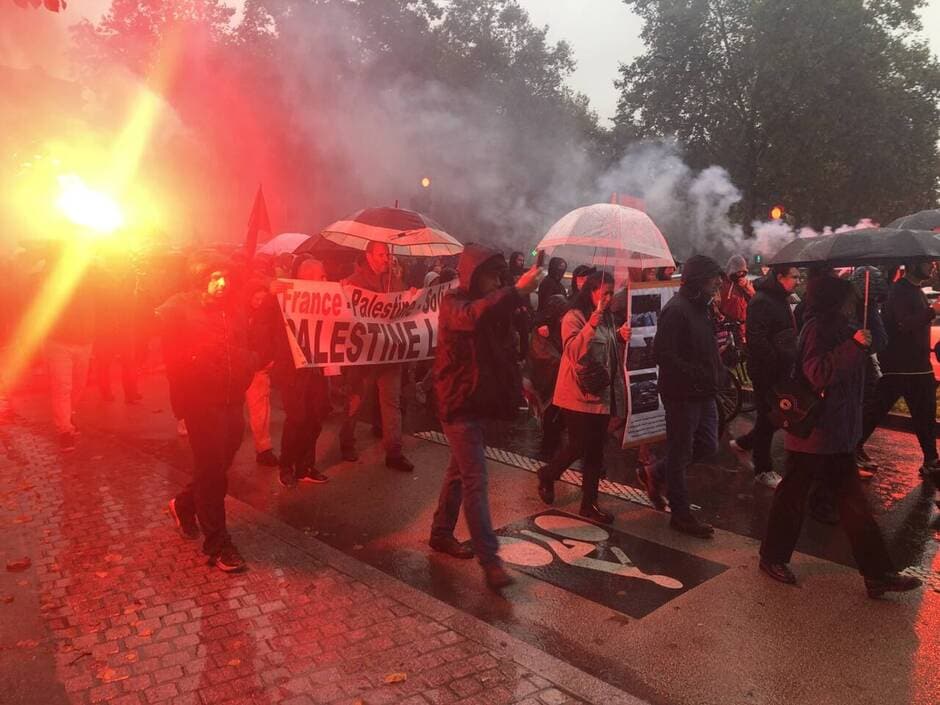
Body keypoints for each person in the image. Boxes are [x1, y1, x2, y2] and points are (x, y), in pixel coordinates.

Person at [758, 276, 922, 598]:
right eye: (848, 297)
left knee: (853, 505)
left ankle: (878, 574)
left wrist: (868, 324)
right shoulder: (817, 328)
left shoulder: (847, 325)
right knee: (792, 498)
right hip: (815, 433)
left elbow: (879, 344)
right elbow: (817, 372)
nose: (852, 301)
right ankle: (772, 557)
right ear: (835, 301)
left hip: (837, 433)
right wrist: (854, 346)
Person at [429, 245, 542, 590]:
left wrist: (521, 381)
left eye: (500, 277)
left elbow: (501, 353)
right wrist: (516, 291)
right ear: (474, 276)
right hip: (458, 403)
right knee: (475, 478)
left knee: (459, 473)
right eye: (492, 276)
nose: (497, 282)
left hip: (478, 402)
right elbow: (472, 316)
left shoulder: (492, 308)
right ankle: (490, 561)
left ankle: (440, 533)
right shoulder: (454, 304)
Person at [160, 254, 258, 572]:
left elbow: (246, 344)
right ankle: (217, 543)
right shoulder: (180, 309)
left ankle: (184, 504)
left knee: (222, 458)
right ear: (201, 278)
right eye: (215, 277)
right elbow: (172, 360)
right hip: (201, 402)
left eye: (227, 277)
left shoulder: (235, 310)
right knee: (213, 472)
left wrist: (248, 363)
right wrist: (183, 403)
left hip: (231, 398)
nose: (222, 283)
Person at [536, 271, 629, 523]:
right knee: (579, 445)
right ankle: (548, 473)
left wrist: (619, 336)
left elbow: (608, 351)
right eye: (604, 292)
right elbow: (574, 352)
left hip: (601, 394)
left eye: (611, 292)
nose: (609, 298)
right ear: (591, 291)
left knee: (596, 451)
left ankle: (589, 505)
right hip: (576, 395)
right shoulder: (573, 316)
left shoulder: (608, 318)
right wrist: (592, 324)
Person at [643, 255, 724, 538]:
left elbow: (704, 348)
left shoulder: (703, 308)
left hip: (705, 393)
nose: (718, 283)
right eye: (714, 278)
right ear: (699, 280)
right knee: (681, 453)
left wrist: (720, 365)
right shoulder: (676, 310)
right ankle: (681, 514)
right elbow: (661, 353)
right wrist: (695, 372)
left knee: (708, 445)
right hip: (682, 395)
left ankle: (657, 472)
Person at [858, 260, 940, 480]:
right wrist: (932, 310)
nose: (933, 266)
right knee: (875, 412)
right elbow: (904, 324)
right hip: (899, 367)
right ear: (914, 264)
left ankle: (931, 459)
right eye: (928, 263)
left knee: (926, 414)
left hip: (919, 366)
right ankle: (851, 448)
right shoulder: (899, 291)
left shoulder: (916, 291)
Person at [340, 242, 414, 471]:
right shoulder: (355, 281)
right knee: (355, 399)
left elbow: (403, 306)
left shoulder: (393, 279)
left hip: (389, 353)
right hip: (364, 354)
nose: (386, 258)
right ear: (369, 255)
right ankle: (346, 442)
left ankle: (394, 452)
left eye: (388, 254)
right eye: (381, 254)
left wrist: (410, 296)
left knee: (391, 402)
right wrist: (343, 292)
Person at [728, 265, 800, 488]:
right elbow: (757, 339)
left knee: (773, 416)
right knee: (771, 416)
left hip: (780, 368)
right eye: (794, 276)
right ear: (780, 277)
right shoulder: (762, 301)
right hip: (766, 371)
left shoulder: (780, 297)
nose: (798, 280)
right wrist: (776, 362)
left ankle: (743, 442)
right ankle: (763, 469)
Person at [270, 259, 331, 487]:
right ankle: (286, 466)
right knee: (296, 420)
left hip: (317, 369)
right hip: (293, 370)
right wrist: (270, 290)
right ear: (307, 278)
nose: (326, 280)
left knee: (316, 418)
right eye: (322, 276)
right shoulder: (285, 296)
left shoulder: (326, 299)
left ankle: (305, 466)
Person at [45, 247, 97, 452]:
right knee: (62, 385)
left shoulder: (90, 279)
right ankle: (64, 430)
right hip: (59, 342)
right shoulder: (51, 281)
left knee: (79, 384)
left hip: (85, 341)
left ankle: (68, 414)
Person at [245, 278, 279, 467]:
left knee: (261, 412)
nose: (259, 302)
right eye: (256, 298)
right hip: (240, 369)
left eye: (263, 299)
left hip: (259, 369)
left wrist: (271, 359)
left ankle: (263, 448)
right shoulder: (240, 316)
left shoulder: (271, 317)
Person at [718, 254, 754, 342]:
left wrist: (746, 288)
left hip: (743, 325)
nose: (741, 274)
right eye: (738, 271)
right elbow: (716, 302)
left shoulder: (746, 283)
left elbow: (754, 300)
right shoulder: (722, 283)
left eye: (743, 272)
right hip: (727, 324)